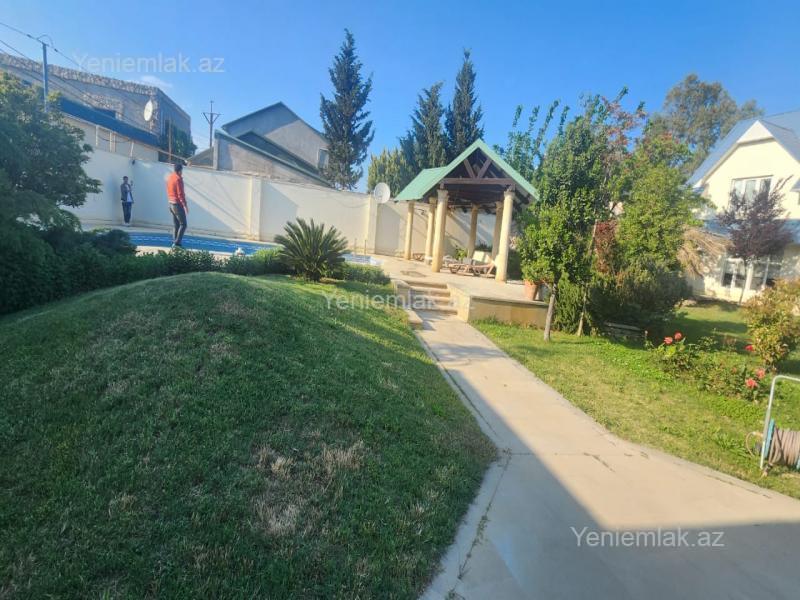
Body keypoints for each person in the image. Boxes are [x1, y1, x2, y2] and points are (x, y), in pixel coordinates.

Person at [166, 162, 188, 248]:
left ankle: (174, 243)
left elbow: (168, 189)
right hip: (177, 204)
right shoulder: (178, 179)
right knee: (183, 224)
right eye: (182, 171)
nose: (182, 172)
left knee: (176, 225)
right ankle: (177, 244)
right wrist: (185, 205)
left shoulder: (170, 177)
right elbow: (180, 194)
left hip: (171, 203)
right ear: (180, 171)